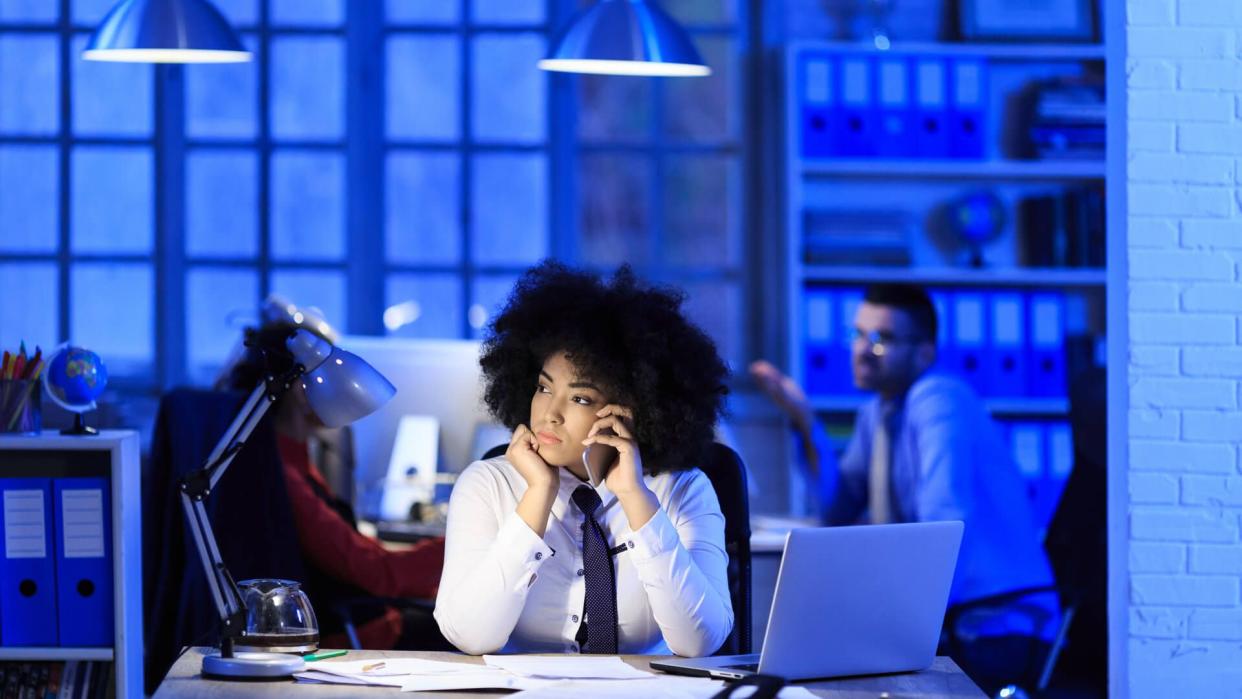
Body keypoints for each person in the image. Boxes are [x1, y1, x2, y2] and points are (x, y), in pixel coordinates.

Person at [751, 283, 1059, 692]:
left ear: (925, 353)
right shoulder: (878, 412)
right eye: (857, 335)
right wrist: (806, 423)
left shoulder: (939, 399)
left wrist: (898, 625)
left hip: (996, 624)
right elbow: (837, 509)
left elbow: (944, 524)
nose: (862, 350)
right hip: (955, 618)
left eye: (881, 340)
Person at [434, 262, 734, 656]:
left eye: (580, 398)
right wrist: (538, 496)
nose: (550, 414)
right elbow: (471, 636)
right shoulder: (487, 485)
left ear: (631, 409)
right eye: (543, 388)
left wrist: (636, 498)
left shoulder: (685, 490)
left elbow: (701, 641)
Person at [217, 302, 447, 651]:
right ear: (298, 391)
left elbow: (364, 558)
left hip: (360, 614)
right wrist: (460, 546)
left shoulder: (290, 461)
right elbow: (377, 574)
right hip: (351, 633)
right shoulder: (283, 478)